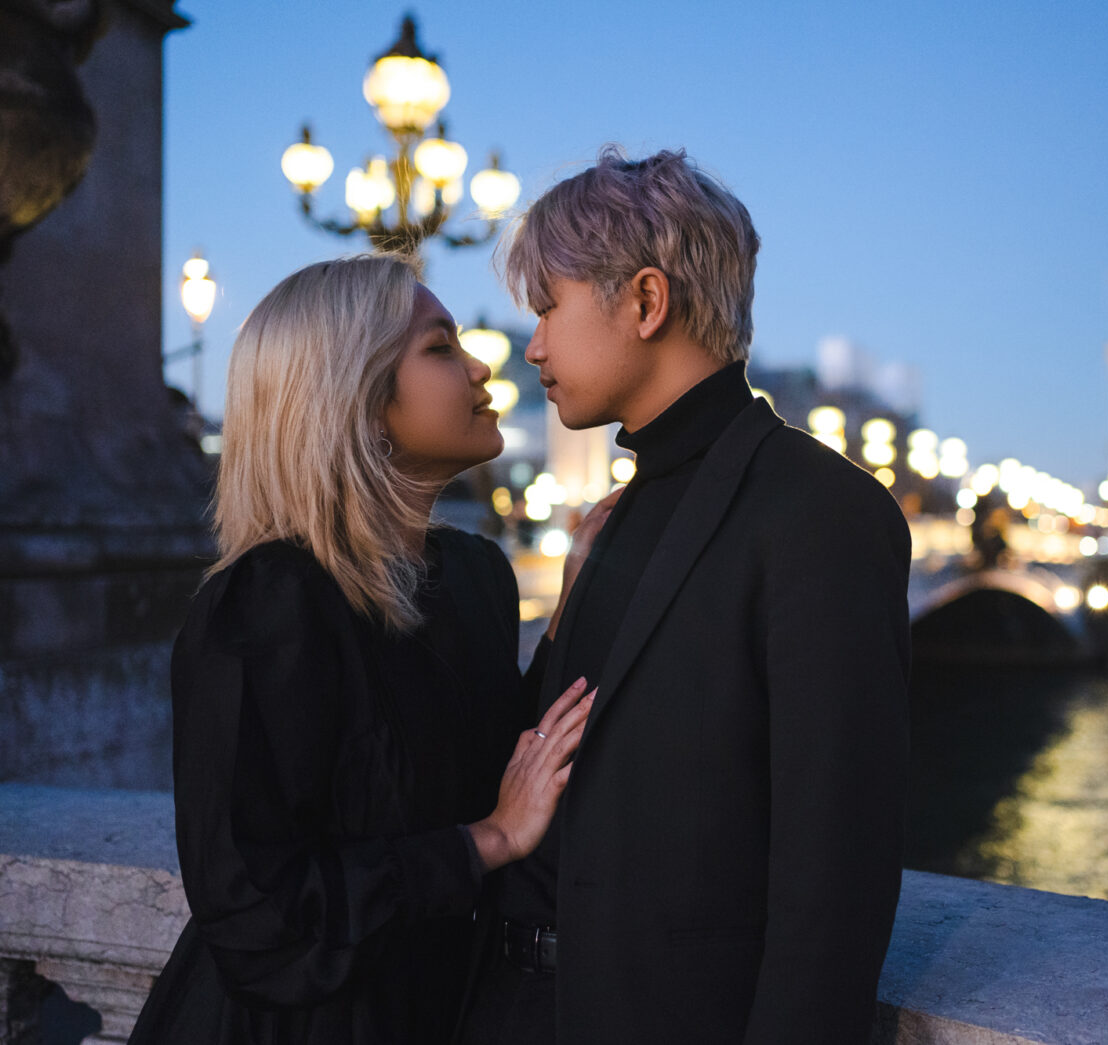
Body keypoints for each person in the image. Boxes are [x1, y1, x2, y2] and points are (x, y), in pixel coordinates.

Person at [456, 147, 911, 1044]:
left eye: (549, 305)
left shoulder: (822, 513)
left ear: (647, 301)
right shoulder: (614, 518)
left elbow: (833, 876)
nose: (535, 343)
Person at [128, 254, 606, 1045]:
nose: (484, 364)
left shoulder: (476, 575)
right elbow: (257, 907)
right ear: (356, 395)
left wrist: (572, 608)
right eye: (441, 347)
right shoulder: (271, 602)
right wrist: (485, 842)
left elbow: (494, 761)